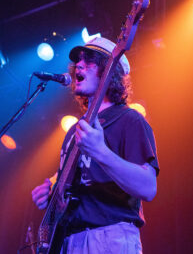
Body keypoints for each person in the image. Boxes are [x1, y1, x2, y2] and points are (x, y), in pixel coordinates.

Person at [32, 37, 159, 254]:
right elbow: (77, 179)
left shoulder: (130, 120)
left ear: (110, 72)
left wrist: (101, 152)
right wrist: (51, 189)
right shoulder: (74, 131)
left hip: (110, 237)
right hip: (69, 241)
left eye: (89, 61)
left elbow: (148, 188)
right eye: (78, 61)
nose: (78, 66)